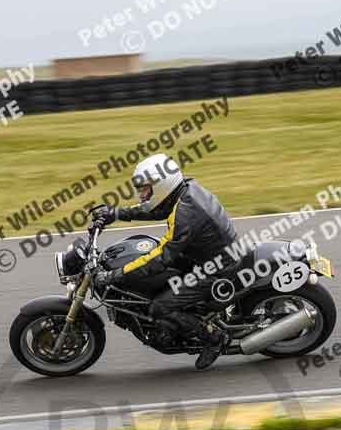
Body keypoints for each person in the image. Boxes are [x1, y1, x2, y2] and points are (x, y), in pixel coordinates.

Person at [93, 153, 238, 370]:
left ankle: (214, 338)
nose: (142, 194)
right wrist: (116, 214)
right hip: (206, 255)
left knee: (161, 307)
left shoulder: (186, 213)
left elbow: (161, 257)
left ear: (161, 185)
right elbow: (157, 209)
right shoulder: (183, 191)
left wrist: (116, 274)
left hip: (217, 269)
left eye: (145, 188)